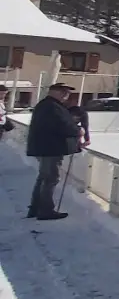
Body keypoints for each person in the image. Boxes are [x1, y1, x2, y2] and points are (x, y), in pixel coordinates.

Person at [25, 83, 81, 221]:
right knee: (50, 178)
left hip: (46, 147)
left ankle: (36, 208)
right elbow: (62, 125)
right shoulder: (51, 107)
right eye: (65, 93)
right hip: (50, 148)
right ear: (56, 92)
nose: (66, 96)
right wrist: (77, 131)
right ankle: (45, 210)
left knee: (44, 177)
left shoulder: (47, 105)